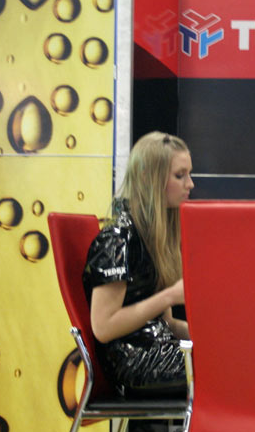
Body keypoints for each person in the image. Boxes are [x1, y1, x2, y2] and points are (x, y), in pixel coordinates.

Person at [83, 131, 193, 399]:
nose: (190, 184)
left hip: (158, 348)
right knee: (230, 369)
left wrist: (219, 338)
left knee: (237, 355)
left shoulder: (153, 238)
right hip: (132, 361)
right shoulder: (117, 239)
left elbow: (167, 323)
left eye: (189, 174)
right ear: (148, 178)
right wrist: (169, 295)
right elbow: (104, 327)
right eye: (180, 176)